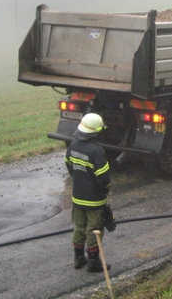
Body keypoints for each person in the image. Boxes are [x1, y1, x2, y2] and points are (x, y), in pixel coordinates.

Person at [65, 113, 111, 273]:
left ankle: (78, 259)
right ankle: (93, 262)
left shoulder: (73, 146)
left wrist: (79, 177)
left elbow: (69, 164)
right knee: (94, 228)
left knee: (79, 227)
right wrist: (104, 190)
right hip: (94, 200)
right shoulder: (96, 150)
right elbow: (103, 177)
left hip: (77, 197)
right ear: (96, 131)